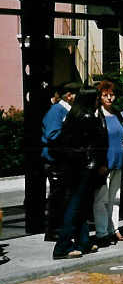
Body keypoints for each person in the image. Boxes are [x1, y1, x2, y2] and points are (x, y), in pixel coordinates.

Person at [51, 89, 101, 260]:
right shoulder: (87, 117)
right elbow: (96, 141)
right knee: (76, 206)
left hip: (73, 166)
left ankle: (83, 241)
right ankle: (62, 246)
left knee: (79, 206)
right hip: (83, 167)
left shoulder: (73, 115)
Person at [91, 81, 123, 247]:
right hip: (104, 163)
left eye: (111, 95)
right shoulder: (96, 114)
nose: (109, 98)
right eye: (105, 95)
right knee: (102, 199)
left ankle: (114, 228)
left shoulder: (117, 113)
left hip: (118, 162)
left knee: (115, 198)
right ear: (99, 97)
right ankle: (102, 232)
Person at [40, 82, 80, 241]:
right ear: (69, 96)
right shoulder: (57, 111)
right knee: (58, 196)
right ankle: (53, 230)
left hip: (67, 160)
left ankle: (65, 227)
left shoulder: (69, 111)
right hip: (56, 160)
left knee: (67, 196)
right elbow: (52, 135)